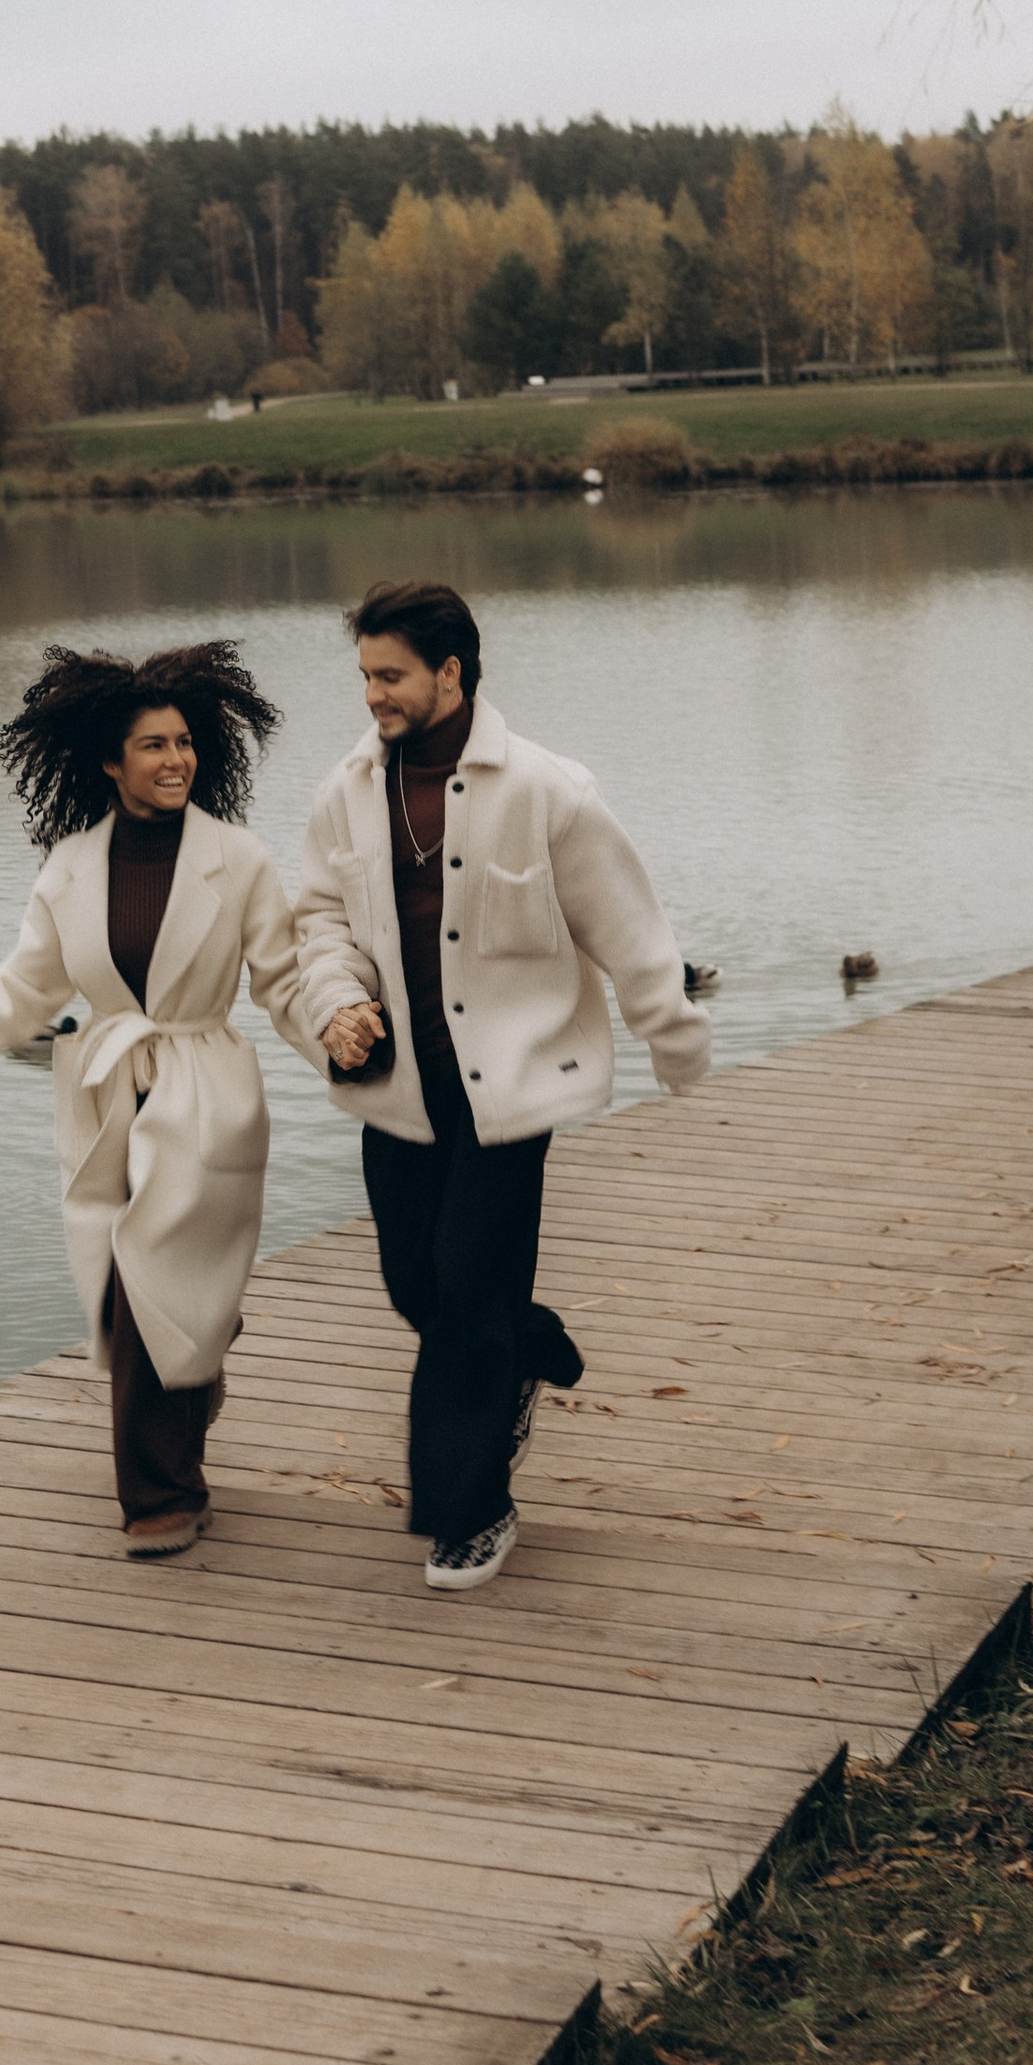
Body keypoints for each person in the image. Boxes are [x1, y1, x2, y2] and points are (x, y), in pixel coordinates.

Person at [0, 640, 356, 1557]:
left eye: (184, 743)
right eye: (154, 746)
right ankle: (186, 1408)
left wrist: (338, 1027)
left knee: (153, 1287)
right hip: (103, 1099)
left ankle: (157, 1496)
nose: (175, 761)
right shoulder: (69, 869)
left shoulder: (238, 861)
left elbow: (285, 981)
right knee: (127, 1298)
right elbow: (21, 995)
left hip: (204, 1096)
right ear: (109, 763)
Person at [297, 579, 709, 1593]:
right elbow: (314, 921)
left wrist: (673, 1041)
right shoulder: (347, 792)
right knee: (416, 1286)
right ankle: (524, 1351)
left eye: (389, 676)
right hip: (396, 1085)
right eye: (363, 677)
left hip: (510, 1088)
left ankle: (469, 1512)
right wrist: (332, 1001)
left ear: (450, 672)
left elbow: (627, 928)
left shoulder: (548, 791)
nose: (372, 697)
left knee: (470, 1287)